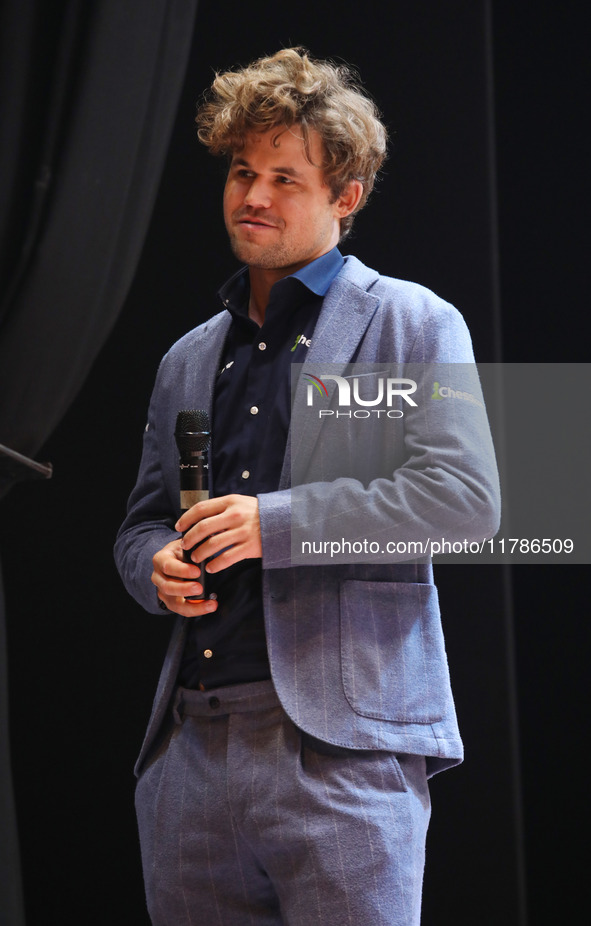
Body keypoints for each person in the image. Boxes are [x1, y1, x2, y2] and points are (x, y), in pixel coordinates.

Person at [114, 47, 500, 926]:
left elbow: (462, 499)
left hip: (342, 752)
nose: (253, 196)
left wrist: (269, 525)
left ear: (345, 196)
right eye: (243, 172)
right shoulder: (187, 356)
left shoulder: (409, 321)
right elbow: (139, 526)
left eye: (285, 178)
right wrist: (155, 566)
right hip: (192, 751)